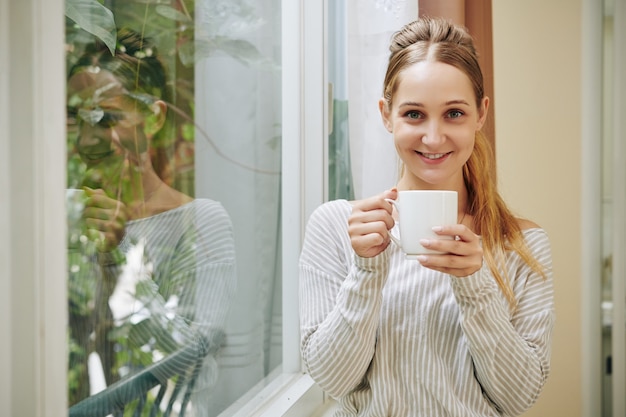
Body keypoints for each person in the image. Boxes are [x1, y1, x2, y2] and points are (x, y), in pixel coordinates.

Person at [299, 17, 555, 416]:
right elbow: (334, 381)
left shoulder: (520, 244)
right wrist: (367, 272)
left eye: (454, 114)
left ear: (481, 114)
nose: (433, 138)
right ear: (387, 115)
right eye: (414, 114)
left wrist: (476, 286)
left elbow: (518, 398)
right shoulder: (336, 227)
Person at [66, 28, 236, 415]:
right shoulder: (62, 221)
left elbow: (190, 359)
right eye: (77, 118)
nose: (88, 140)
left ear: (154, 117)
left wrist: (119, 254)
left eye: (105, 117)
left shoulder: (201, 221)